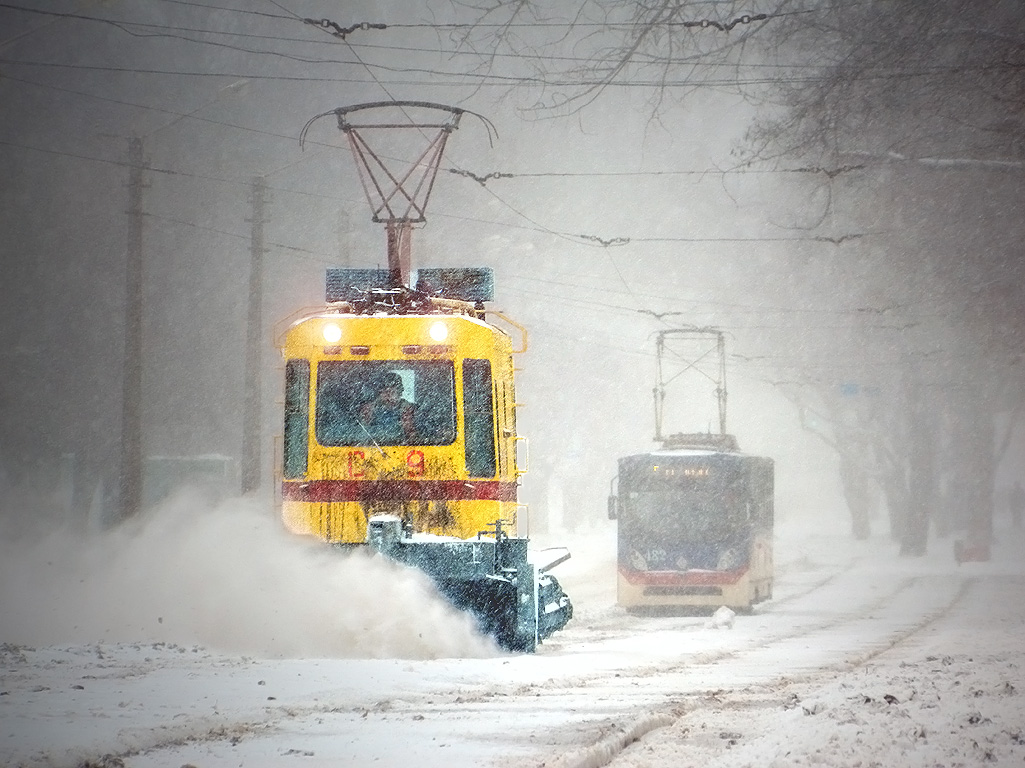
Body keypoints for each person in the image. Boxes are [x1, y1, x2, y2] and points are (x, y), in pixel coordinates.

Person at [358, 371, 415, 443]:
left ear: (400, 392)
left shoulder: (407, 408)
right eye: (385, 391)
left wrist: (407, 423)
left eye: (392, 391)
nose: (388, 395)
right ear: (379, 392)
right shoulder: (370, 408)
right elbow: (361, 434)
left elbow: (413, 436)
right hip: (373, 448)